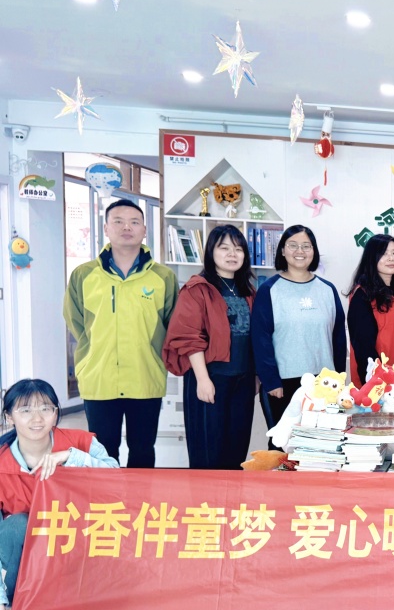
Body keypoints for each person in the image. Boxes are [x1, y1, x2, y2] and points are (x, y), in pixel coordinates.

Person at [63, 199, 178, 467]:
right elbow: (75, 320)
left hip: (145, 376)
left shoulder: (163, 277)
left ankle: (140, 496)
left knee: (143, 449)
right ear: (106, 228)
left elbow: (171, 323)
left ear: (144, 230)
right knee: (103, 452)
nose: (127, 227)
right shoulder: (84, 275)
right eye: (118, 221)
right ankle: (106, 497)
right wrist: (96, 349)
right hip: (99, 377)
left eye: (134, 222)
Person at [0, 379, 119, 610]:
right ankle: (15, 602)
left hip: (77, 538)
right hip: (28, 547)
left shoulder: (81, 441)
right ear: (9, 416)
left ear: (56, 413)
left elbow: (118, 478)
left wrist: (71, 456)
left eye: (45, 408)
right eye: (25, 410)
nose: (37, 418)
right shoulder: (1, 461)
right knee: (18, 525)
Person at [162, 225, 256, 469]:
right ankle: (205, 496)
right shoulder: (197, 289)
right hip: (210, 378)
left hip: (243, 381)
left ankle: (233, 494)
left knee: (237, 451)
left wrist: (256, 377)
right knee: (208, 453)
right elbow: (189, 337)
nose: (232, 254)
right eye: (224, 248)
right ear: (211, 252)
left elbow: (258, 338)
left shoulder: (248, 290)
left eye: (238, 249)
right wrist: (203, 380)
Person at [251, 225, 346, 446]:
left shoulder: (327, 289)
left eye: (306, 246)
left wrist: (338, 380)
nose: (300, 251)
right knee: (282, 446)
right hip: (282, 384)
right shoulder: (269, 290)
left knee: (320, 446)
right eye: (293, 245)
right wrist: (271, 381)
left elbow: (339, 338)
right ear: (282, 250)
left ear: (314, 251)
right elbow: (260, 339)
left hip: (322, 385)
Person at [346, 234, 394, 384]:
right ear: (371, 258)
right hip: (379, 383)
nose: (391, 258)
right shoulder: (362, 295)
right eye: (384, 253)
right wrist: (377, 380)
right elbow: (363, 347)